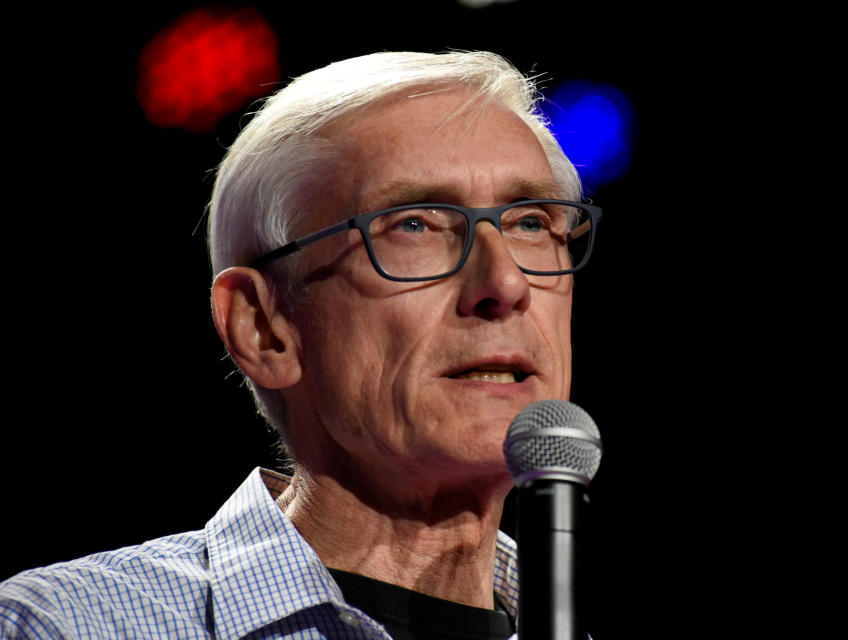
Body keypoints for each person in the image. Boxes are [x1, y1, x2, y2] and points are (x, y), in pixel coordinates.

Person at [0, 50, 602, 639]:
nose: (506, 284)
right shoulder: (62, 624)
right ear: (263, 326)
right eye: (413, 225)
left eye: (529, 223)